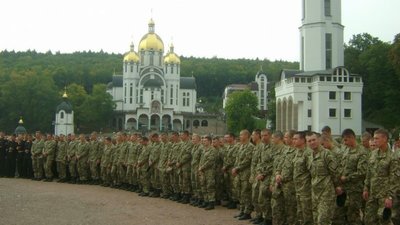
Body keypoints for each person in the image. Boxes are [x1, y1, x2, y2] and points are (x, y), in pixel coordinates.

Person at [363, 129, 399, 225]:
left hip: (384, 195)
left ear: (385, 139)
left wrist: (390, 197)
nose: (374, 141)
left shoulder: (392, 157)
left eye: (377, 138)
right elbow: (369, 173)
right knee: (369, 219)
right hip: (373, 193)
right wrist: (366, 188)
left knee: (384, 219)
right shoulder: (373, 154)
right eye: (374, 139)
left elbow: (394, 179)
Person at [307, 131, 342, 225]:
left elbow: (335, 172)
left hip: (326, 193)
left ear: (318, 140)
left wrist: (337, 186)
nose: (312, 142)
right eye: (309, 141)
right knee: (315, 220)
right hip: (315, 193)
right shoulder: (310, 156)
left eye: (314, 140)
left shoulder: (327, 154)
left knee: (323, 221)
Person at [340, 128, 368, 225]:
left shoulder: (362, 152)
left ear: (352, 138)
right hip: (344, 188)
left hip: (355, 189)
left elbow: (362, 172)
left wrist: (347, 178)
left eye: (346, 140)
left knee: (354, 215)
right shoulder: (346, 150)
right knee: (344, 214)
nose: (344, 142)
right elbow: (342, 166)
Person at [232, 129, 254, 220]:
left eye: (241, 135)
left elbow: (247, 160)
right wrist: (235, 168)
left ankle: (247, 212)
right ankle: (242, 210)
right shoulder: (241, 146)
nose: (240, 136)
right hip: (239, 174)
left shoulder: (250, 147)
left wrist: (237, 168)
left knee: (246, 193)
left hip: (246, 173)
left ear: (246, 136)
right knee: (240, 192)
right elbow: (237, 159)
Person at [292, 131, 313, 225]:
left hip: (306, 189)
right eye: (293, 139)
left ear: (303, 140)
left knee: (307, 214)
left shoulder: (308, 153)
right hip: (298, 188)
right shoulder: (297, 152)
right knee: (300, 214)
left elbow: (312, 172)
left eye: (295, 139)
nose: (293, 141)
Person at [198, 136, 218, 210]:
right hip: (203, 171)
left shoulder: (212, 150)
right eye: (203, 141)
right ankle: (206, 201)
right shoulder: (204, 150)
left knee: (210, 187)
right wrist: (200, 167)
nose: (204, 142)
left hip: (209, 171)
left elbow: (210, 161)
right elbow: (201, 160)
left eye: (205, 141)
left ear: (209, 141)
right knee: (203, 186)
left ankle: (211, 202)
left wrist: (202, 167)